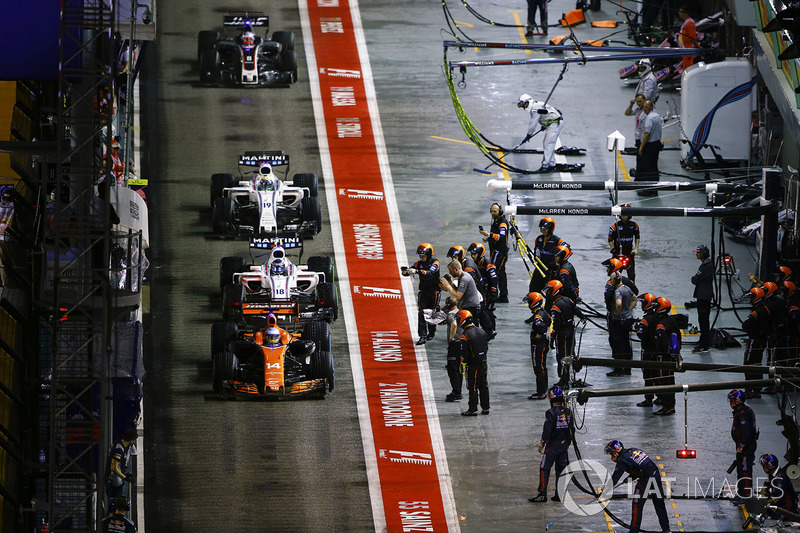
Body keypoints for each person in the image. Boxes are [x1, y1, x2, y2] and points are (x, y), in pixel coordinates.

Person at [604, 440, 672, 533]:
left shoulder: (622, 460)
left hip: (646, 479)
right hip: (655, 474)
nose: (611, 455)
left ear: (616, 451)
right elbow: (641, 466)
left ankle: (634, 531)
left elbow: (615, 478)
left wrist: (604, 491)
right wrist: (630, 478)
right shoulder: (632, 450)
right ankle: (666, 529)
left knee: (637, 505)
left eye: (611, 452)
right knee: (659, 503)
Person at [529, 386, 574, 503]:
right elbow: (571, 430)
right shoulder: (569, 412)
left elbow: (547, 429)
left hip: (552, 447)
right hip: (564, 446)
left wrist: (542, 443)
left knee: (544, 468)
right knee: (561, 470)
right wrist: (567, 443)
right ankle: (559, 494)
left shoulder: (550, 413)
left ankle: (542, 494)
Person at [402, 243, 441, 345]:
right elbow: (410, 270)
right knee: (421, 313)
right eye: (420, 255)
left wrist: (416, 271)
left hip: (434, 291)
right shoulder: (418, 263)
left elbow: (430, 273)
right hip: (423, 291)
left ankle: (432, 331)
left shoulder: (435, 263)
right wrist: (406, 271)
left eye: (423, 255)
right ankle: (422, 335)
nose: (422, 257)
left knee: (432, 312)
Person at [517, 95, 564, 172]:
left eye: (524, 105)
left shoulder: (535, 108)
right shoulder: (536, 106)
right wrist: (545, 125)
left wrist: (529, 135)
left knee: (548, 144)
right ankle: (550, 164)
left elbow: (533, 123)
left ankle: (545, 166)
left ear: (528, 102)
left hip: (555, 123)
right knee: (549, 144)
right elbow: (546, 115)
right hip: (552, 123)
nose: (524, 107)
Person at [544, 280, 578, 383]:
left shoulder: (555, 307)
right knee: (571, 353)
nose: (548, 293)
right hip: (571, 331)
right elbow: (576, 310)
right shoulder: (568, 300)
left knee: (562, 356)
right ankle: (572, 375)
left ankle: (564, 380)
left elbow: (556, 324)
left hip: (562, 334)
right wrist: (583, 317)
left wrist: (552, 338)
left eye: (549, 291)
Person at [606, 262, 637, 376]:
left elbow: (618, 303)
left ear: (616, 280)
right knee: (626, 344)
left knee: (617, 344)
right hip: (627, 319)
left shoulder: (618, 291)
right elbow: (635, 298)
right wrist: (627, 310)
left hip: (619, 322)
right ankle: (628, 368)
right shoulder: (627, 288)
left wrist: (618, 313)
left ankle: (618, 369)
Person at [457, 310, 490, 416]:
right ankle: (486, 407)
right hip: (483, 363)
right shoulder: (481, 331)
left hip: (473, 365)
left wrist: (462, 366)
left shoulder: (465, 336)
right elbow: (486, 347)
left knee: (473, 387)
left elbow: (464, 354)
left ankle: (473, 408)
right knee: (484, 385)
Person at [728, 389, 758, 502]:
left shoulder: (744, 414)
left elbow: (746, 434)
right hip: (742, 446)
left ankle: (746, 495)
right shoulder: (741, 412)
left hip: (746, 447)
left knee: (745, 471)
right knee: (740, 470)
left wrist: (741, 449)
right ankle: (741, 493)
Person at [653, 297, 679, 415]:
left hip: (664, 358)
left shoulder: (661, 325)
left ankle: (667, 407)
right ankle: (669, 404)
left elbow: (662, 343)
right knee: (669, 380)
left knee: (664, 381)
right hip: (671, 357)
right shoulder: (671, 320)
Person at [467, 243, 499, 338]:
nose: (473, 256)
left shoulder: (488, 264)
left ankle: (491, 331)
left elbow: (494, 280)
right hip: (481, 290)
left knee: (488, 311)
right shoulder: (475, 263)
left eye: (475, 254)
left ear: (480, 254)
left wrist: (493, 293)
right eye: (472, 254)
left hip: (489, 292)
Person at [479, 203, 509, 302]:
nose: (492, 213)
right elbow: (495, 236)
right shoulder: (495, 222)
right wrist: (488, 238)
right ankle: (502, 294)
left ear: (500, 212)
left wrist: (490, 234)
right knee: (500, 273)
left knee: (497, 273)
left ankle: (500, 295)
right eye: (491, 211)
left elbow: (502, 237)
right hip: (495, 251)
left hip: (500, 252)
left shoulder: (502, 223)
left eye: (495, 211)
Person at [742, 288, 769, 398]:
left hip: (754, 340)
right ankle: (757, 389)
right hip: (763, 340)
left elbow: (745, 325)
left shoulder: (755, 313)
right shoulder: (766, 309)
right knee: (758, 363)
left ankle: (748, 389)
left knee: (748, 363)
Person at [634, 293, 660, 407]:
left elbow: (641, 335)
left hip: (647, 351)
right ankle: (660, 397)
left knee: (648, 375)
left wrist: (636, 328)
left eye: (643, 303)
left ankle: (648, 399)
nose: (641, 305)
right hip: (658, 351)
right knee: (658, 375)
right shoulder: (658, 316)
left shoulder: (645, 320)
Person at [525, 291, 551, 400]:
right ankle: (543, 390)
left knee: (538, 368)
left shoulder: (537, 316)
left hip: (538, 345)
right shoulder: (543, 312)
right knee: (542, 367)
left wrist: (538, 335)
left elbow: (542, 327)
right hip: (544, 343)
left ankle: (541, 392)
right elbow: (549, 321)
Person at [758, 453, 799, 519]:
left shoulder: (780, 479)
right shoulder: (772, 474)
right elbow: (765, 486)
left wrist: (763, 501)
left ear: (769, 467)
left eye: (764, 466)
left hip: (787, 508)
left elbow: (776, 498)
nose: (763, 468)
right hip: (779, 504)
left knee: (770, 523)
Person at [690, 244, 714, 354]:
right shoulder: (707, 264)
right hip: (704, 296)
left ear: (703, 253)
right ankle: (703, 341)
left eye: (698, 252)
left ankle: (704, 346)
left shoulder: (705, 266)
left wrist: (694, 278)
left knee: (704, 322)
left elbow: (695, 279)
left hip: (704, 297)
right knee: (702, 321)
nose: (696, 254)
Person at [531, 217, 565, 292]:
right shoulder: (538, 239)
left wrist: (557, 262)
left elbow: (566, 249)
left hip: (551, 270)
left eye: (545, 228)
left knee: (550, 292)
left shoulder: (557, 240)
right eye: (542, 228)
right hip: (539, 268)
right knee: (533, 289)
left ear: (550, 229)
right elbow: (536, 251)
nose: (543, 230)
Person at [608, 207, 640, 283]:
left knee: (631, 275)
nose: (624, 216)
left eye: (625, 214)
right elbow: (610, 240)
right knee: (614, 275)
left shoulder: (634, 225)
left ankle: (632, 291)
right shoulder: (614, 226)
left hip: (629, 254)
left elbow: (637, 237)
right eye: (622, 214)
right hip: (617, 254)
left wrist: (636, 249)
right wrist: (613, 249)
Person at [637, 99, 662, 194]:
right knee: (654, 166)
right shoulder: (656, 116)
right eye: (644, 107)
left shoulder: (649, 119)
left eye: (646, 107)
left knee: (647, 167)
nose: (645, 109)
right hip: (657, 143)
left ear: (651, 107)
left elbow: (647, 134)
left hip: (650, 145)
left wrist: (641, 146)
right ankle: (654, 188)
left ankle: (648, 190)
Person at [106, 428, 138, 500]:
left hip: (115, 481)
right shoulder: (119, 449)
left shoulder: (120, 446)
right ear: (131, 440)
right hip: (114, 483)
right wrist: (125, 477)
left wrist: (125, 474)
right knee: (114, 502)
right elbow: (113, 467)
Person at [624, 93, 646, 159]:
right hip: (638, 136)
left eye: (640, 101)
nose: (639, 103)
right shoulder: (637, 110)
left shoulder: (647, 110)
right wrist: (631, 104)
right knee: (639, 157)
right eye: (637, 102)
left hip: (644, 137)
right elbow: (627, 113)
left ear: (644, 100)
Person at [677, 5, 697, 71]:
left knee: (688, 68)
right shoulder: (686, 22)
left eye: (681, 12)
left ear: (686, 13)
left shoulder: (690, 23)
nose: (679, 13)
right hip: (685, 49)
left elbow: (693, 37)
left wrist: (697, 46)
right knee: (686, 67)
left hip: (689, 49)